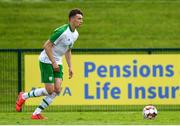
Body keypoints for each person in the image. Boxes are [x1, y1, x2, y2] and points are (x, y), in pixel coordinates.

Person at [16, 8, 83, 120]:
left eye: (82, 19)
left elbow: (68, 50)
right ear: (71, 19)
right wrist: (53, 62)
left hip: (58, 61)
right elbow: (46, 45)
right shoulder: (62, 31)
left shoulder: (75, 34)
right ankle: (23, 96)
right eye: (79, 18)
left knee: (57, 89)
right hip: (47, 60)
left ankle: (36, 113)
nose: (81, 21)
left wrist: (70, 67)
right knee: (50, 90)